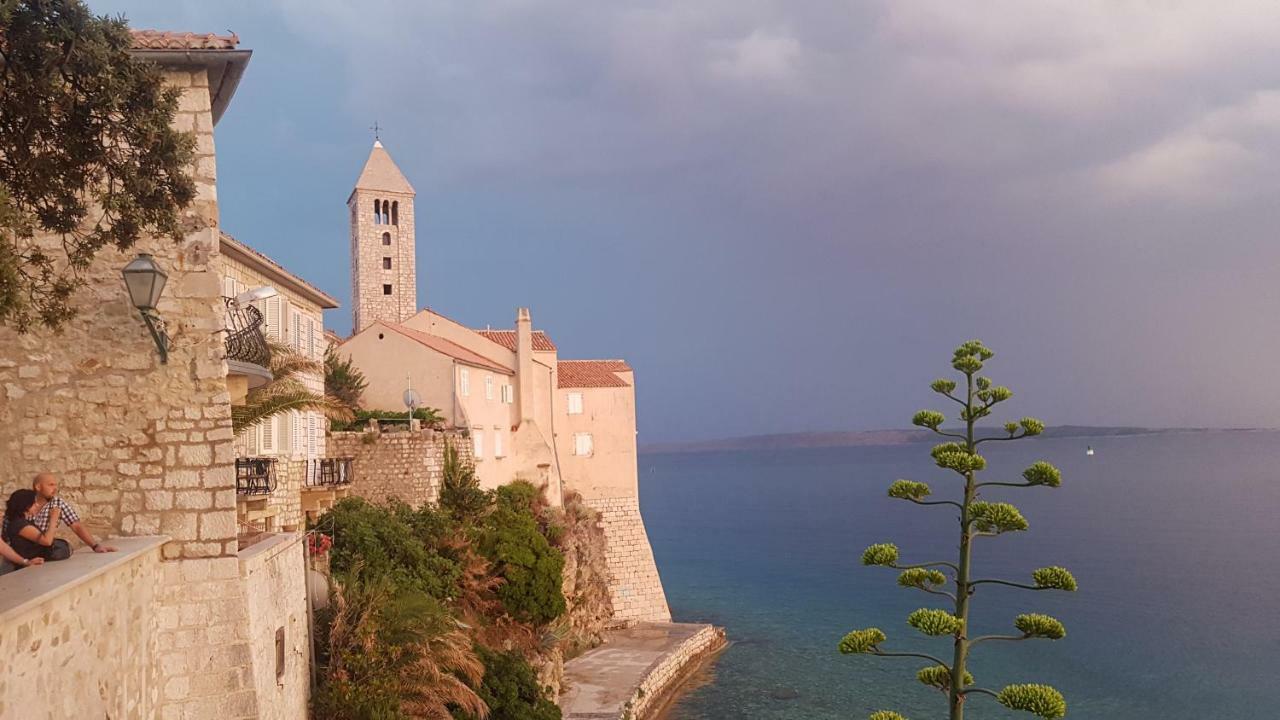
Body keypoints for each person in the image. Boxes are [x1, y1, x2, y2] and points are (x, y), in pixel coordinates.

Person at [5, 473, 117, 554]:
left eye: (55, 485)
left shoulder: (57, 503)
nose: (55, 488)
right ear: (38, 487)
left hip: (42, 554)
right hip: (16, 556)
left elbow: (76, 525)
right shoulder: (21, 502)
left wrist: (95, 546)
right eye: (51, 485)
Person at [1, 489, 56, 572]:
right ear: (26, 506)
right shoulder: (19, 524)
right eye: (34, 503)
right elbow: (47, 541)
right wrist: (53, 518)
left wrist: (25, 562)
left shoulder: (19, 522)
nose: (37, 505)